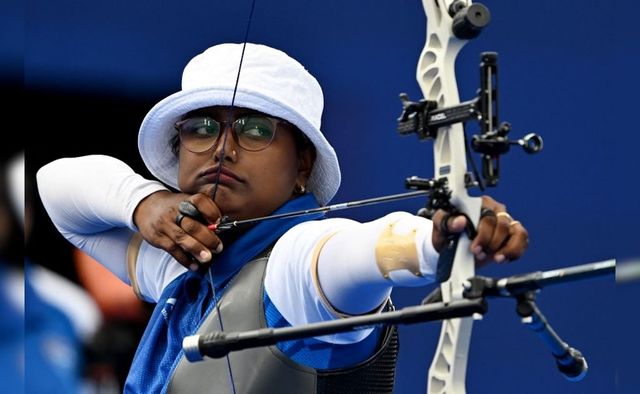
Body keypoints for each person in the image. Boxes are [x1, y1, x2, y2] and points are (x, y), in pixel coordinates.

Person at [36, 42, 528, 393]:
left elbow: (360, 252)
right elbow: (55, 186)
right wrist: (142, 203)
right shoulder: (179, 265)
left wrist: (441, 236)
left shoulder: (299, 267)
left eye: (254, 129)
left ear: (302, 167)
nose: (223, 149)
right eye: (202, 127)